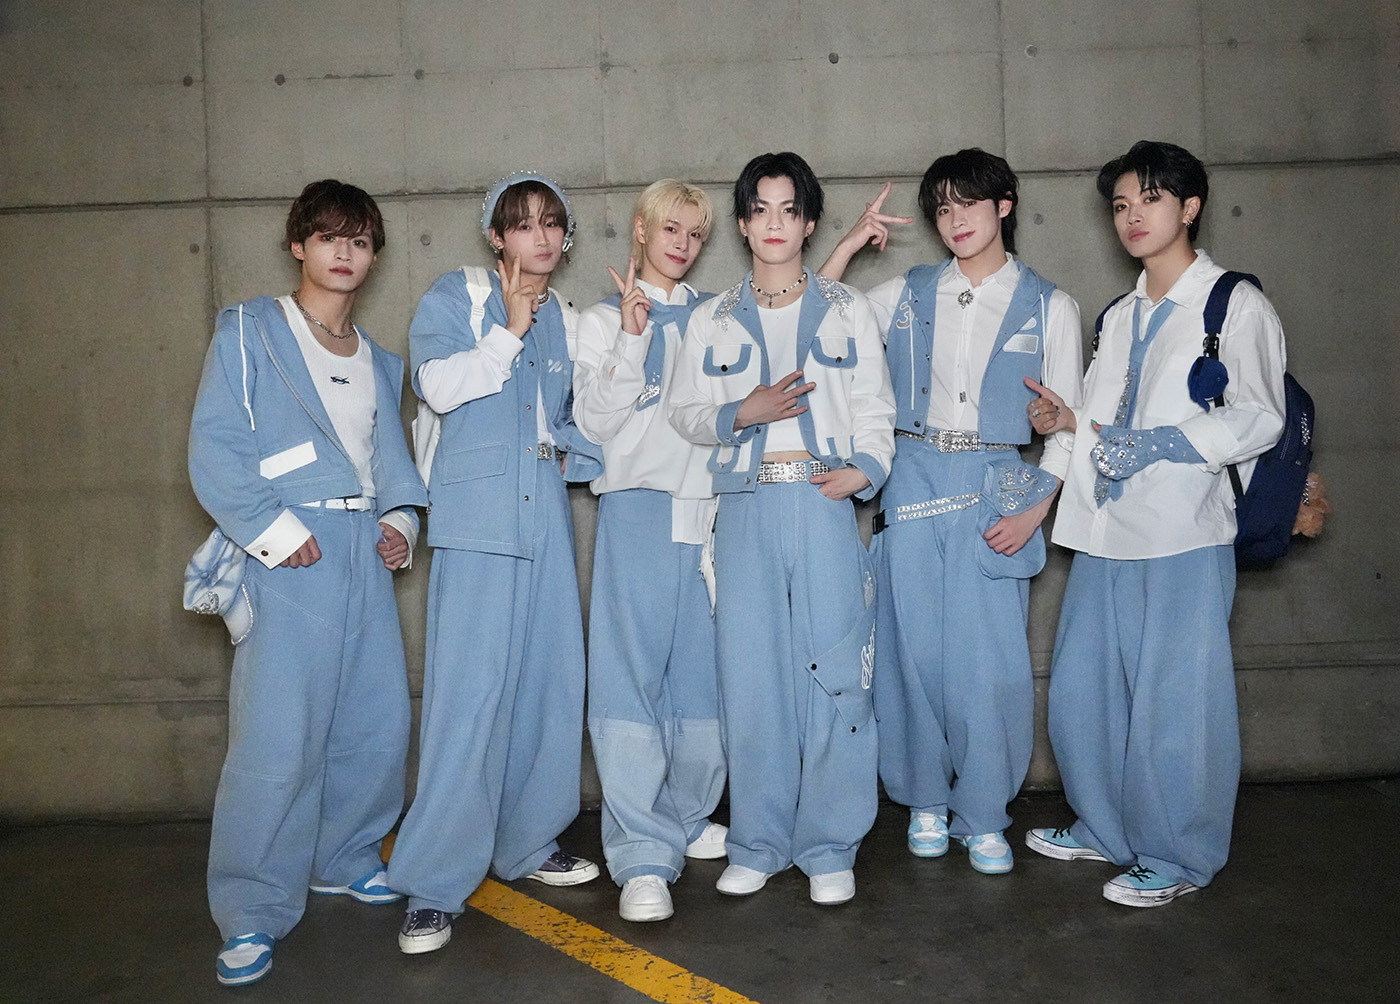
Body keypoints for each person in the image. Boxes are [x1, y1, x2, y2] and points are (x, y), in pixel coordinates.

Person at [1023, 140, 1287, 906]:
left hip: (1182, 531)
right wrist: (1067, 420)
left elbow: (1261, 415)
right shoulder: (1119, 315)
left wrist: (1164, 443)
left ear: (1189, 206)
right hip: (1105, 531)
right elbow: (1105, 419)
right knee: (1086, 690)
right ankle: (1107, 828)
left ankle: (1176, 855)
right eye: (1120, 204)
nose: (1132, 216)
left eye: (1150, 198)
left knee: (1178, 700)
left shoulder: (1233, 304)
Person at [188, 179, 427, 986]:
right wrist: (275, 533)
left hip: (362, 549)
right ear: (299, 244)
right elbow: (216, 446)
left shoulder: (379, 360)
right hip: (289, 552)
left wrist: (401, 524)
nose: (344, 253)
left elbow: (392, 463)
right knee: (277, 736)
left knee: (375, 718)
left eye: (359, 241)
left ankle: (345, 856)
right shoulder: (251, 330)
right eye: (329, 237)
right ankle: (252, 910)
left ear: (372, 254)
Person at [820, 150, 1083, 874]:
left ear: (1004, 205)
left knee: (989, 664)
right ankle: (925, 800)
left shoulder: (1050, 305)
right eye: (942, 208)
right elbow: (819, 313)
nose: (955, 219)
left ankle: (985, 811)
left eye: (968, 203)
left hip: (997, 483)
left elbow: (1068, 425)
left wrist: (1036, 509)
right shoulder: (907, 292)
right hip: (911, 476)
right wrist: (849, 243)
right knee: (909, 654)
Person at [668, 152, 895, 907]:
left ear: (808, 222)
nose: (774, 223)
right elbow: (683, 411)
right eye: (760, 209)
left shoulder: (845, 307)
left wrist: (865, 470)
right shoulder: (711, 317)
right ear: (742, 223)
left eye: (788, 209)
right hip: (744, 505)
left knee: (836, 670)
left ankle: (830, 844)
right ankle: (759, 841)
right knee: (751, 674)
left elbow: (876, 404)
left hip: (823, 501)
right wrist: (744, 411)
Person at [389, 172, 604, 955]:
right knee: (468, 699)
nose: (541, 238)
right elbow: (437, 386)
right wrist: (509, 328)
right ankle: (431, 883)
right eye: (523, 224)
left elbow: (562, 419)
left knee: (550, 685)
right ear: (496, 236)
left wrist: (583, 445)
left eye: (553, 224)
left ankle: (526, 842)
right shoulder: (459, 295)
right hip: (477, 516)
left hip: (543, 510)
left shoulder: (566, 316)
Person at [572, 180, 728, 923]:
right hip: (637, 509)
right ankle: (640, 855)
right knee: (629, 684)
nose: (682, 244)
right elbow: (592, 423)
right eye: (670, 229)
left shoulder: (719, 316)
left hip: (715, 515)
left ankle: (686, 817)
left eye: (695, 234)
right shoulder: (600, 321)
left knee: (703, 682)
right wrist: (633, 338)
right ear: (640, 229)